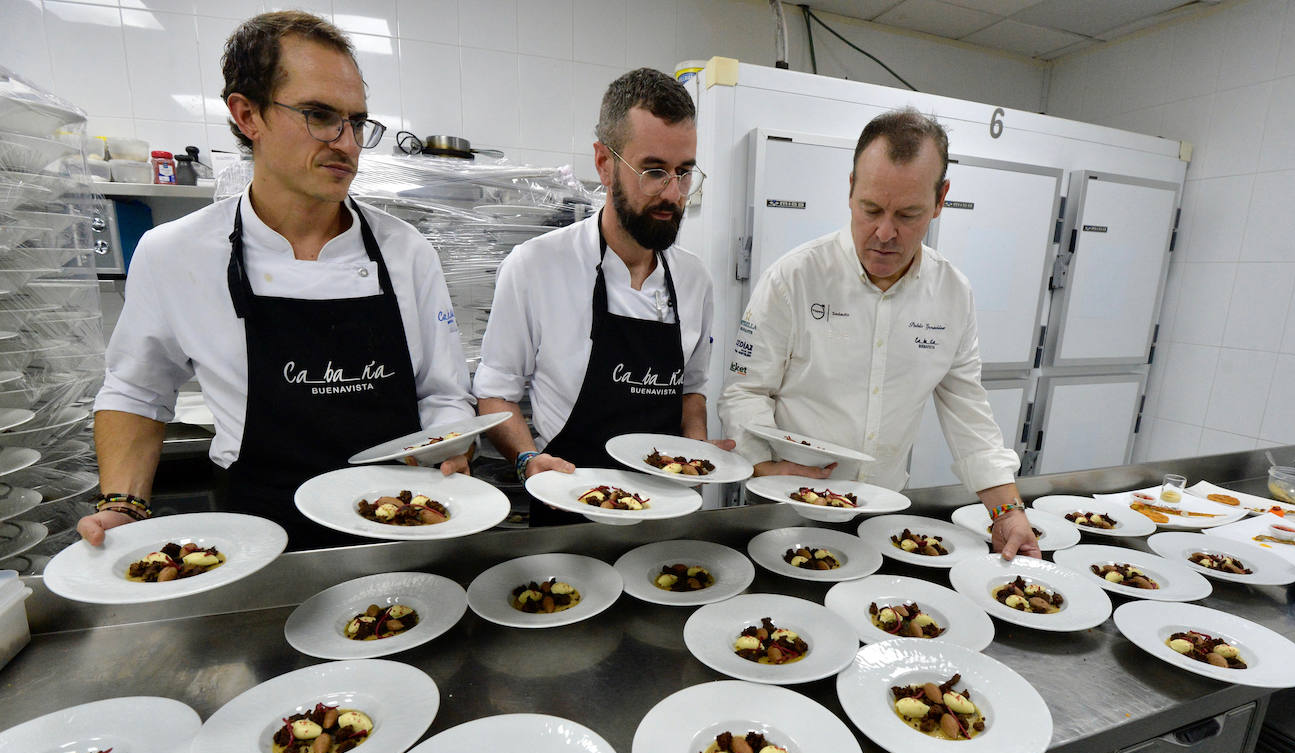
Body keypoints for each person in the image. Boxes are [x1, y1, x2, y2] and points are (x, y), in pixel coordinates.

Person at [79, 11, 474, 549]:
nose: (347, 143)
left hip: (397, 524)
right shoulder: (175, 254)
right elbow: (136, 390)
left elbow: (444, 394)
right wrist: (123, 504)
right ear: (247, 115)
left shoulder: (407, 252)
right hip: (256, 538)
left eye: (356, 122)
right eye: (319, 115)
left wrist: (450, 446)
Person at [717, 108, 1038, 559]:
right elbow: (745, 391)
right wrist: (760, 464)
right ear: (850, 189)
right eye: (871, 209)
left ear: (940, 199)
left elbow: (969, 411)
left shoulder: (951, 294)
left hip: (881, 516)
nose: (885, 233)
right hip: (786, 509)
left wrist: (1007, 511)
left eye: (908, 214)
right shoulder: (794, 278)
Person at [474, 68, 726, 526]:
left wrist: (696, 449)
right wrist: (528, 459)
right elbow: (494, 394)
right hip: (566, 514)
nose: (672, 193)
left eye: (684, 172)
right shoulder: (535, 266)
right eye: (653, 171)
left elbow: (692, 390)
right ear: (604, 163)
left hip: (664, 519)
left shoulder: (695, 279)